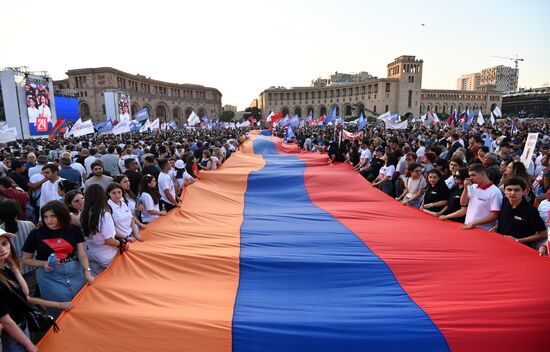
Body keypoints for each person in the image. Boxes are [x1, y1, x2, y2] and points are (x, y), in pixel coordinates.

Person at [1, 229, 73, 352]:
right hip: (11, 335)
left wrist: (14, 268)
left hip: (23, 326)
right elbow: (6, 321)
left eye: (4, 243)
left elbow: (25, 294)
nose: (2, 249)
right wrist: (29, 345)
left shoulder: (6, 270)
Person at [22, 201, 94, 307]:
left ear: (62, 215)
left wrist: (87, 272)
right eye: (45, 217)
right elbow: (26, 259)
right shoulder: (36, 234)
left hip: (75, 273)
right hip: (50, 278)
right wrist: (44, 263)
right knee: (59, 310)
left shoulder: (74, 230)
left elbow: (82, 253)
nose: (48, 220)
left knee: (82, 305)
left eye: (53, 216)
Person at [80, 185, 121, 276]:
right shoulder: (104, 214)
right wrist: (122, 244)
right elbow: (109, 240)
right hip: (107, 255)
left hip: (91, 253)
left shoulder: (84, 213)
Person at [496, 177, 547, 248]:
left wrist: (518, 240)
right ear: (504, 191)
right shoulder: (503, 203)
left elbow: (543, 233)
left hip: (520, 249)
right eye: (509, 189)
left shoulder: (530, 210)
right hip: (500, 245)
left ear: (524, 191)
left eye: (516, 190)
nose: (512, 193)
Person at [460, 164, 503, 230]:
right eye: (470, 175)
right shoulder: (472, 187)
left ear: (483, 174)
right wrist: (465, 188)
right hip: (468, 226)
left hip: (483, 230)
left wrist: (474, 223)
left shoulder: (495, 192)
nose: (470, 178)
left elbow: (495, 215)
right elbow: (463, 203)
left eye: (473, 175)